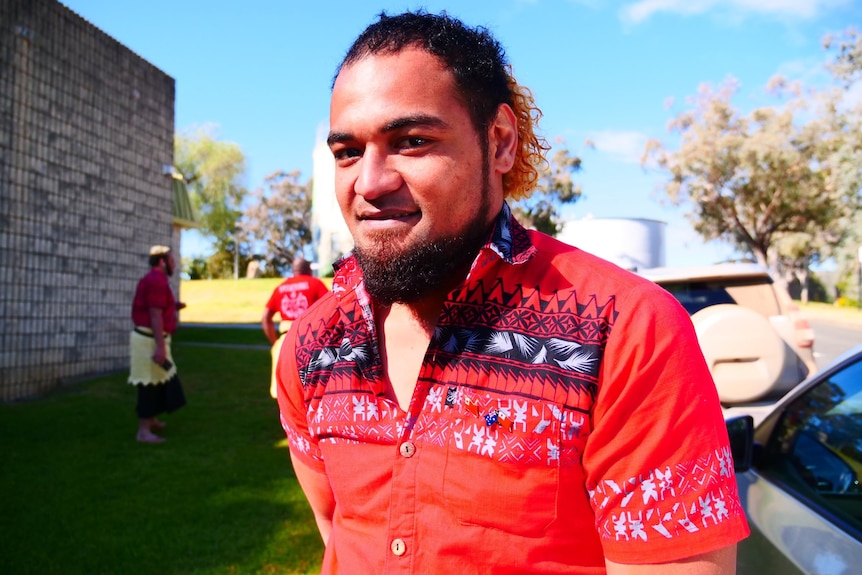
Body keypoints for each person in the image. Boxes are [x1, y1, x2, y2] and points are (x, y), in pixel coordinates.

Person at [276, 11, 749, 574]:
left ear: (499, 142)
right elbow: (339, 529)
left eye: (412, 141)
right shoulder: (312, 345)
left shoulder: (626, 332)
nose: (371, 182)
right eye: (347, 152)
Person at [128, 245, 187, 443]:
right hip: (149, 341)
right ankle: (143, 431)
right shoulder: (156, 280)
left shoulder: (157, 280)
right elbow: (154, 314)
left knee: (159, 379)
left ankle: (151, 419)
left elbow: (157, 308)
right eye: (171, 261)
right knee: (148, 384)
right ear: (162, 261)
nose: (174, 265)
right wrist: (160, 347)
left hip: (153, 339)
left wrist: (175, 306)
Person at [262, 257, 329, 398]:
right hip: (311, 341)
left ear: (293, 270)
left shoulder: (281, 287)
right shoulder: (315, 283)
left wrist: (275, 342)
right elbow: (331, 307)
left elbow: (265, 318)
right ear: (309, 270)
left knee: (285, 392)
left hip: (284, 340)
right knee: (313, 390)